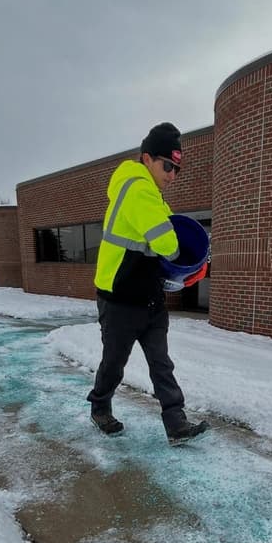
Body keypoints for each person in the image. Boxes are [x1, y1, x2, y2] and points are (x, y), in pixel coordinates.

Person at [87, 122, 209, 445]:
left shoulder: (154, 196)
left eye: (177, 169)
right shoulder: (136, 188)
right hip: (119, 300)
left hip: (149, 299)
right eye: (168, 166)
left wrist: (188, 270)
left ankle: (176, 424)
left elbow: (163, 243)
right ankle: (99, 406)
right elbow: (167, 241)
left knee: (161, 364)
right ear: (147, 159)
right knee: (114, 363)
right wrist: (183, 258)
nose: (172, 175)